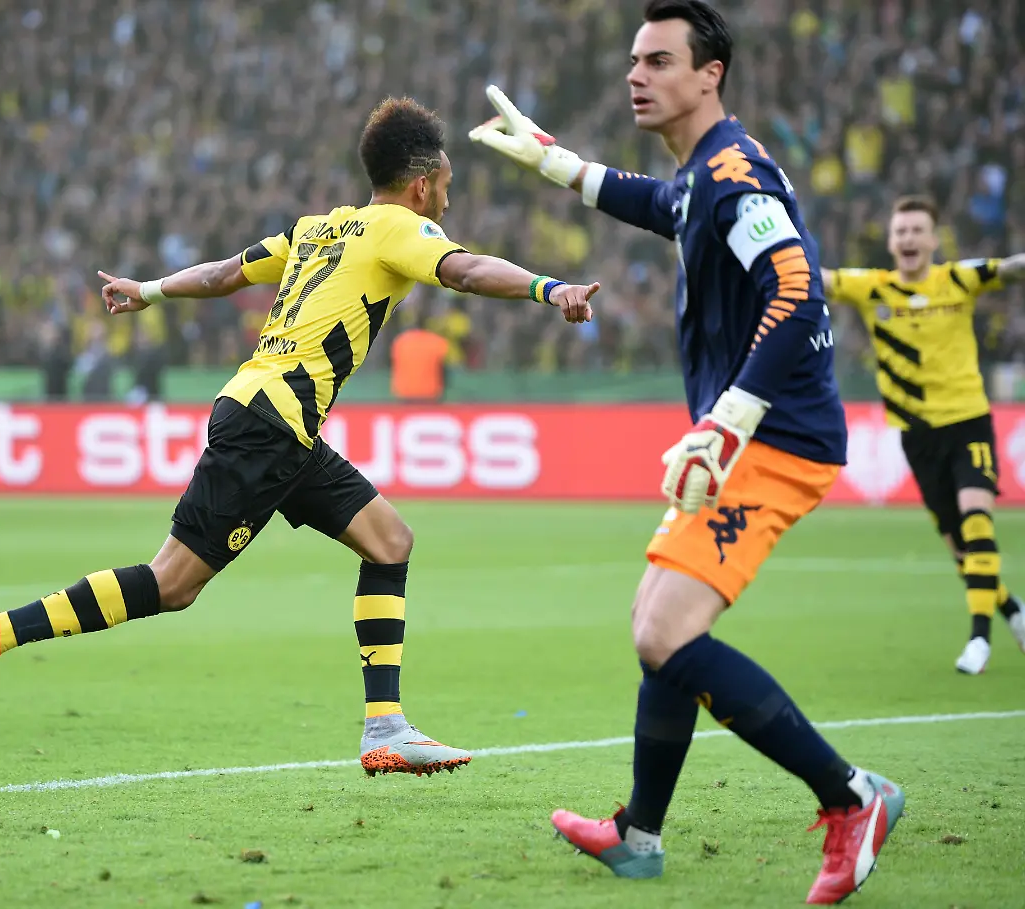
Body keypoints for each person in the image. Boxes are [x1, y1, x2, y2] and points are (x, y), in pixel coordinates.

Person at [0, 97, 600, 777]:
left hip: (277, 421)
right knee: (172, 583)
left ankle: (386, 727)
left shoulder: (317, 228)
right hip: (270, 425)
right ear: (422, 185)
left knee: (390, 541)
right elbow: (466, 270)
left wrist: (151, 290)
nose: (448, 203)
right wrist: (548, 289)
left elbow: (225, 273)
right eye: (448, 187)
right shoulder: (403, 227)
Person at [470, 1, 901, 903]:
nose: (637, 74)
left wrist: (730, 416)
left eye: (660, 60)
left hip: (775, 437)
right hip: (753, 431)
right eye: (635, 60)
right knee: (656, 625)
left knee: (665, 631)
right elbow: (661, 205)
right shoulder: (704, 174)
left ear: (711, 75)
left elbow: (797, 288)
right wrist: (557, 162)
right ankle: (639, 835)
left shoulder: (735, 177)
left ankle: (851, 797)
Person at [823, 196, 1025, 674]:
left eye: (917, 230)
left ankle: (979, 639)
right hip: (917, 436)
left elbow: (1010, 269)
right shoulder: (873, 288)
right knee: (961, 549)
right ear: (891, 242)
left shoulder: (958, 279)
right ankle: (1015, 613)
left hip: (968, 422)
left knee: (977, 523)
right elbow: (818, 278)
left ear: (934, 240)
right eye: (901, 232)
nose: (908, 238)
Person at [390, 321, 451, 402]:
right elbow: (443, 368)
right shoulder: (437, 341)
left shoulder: (400, 341)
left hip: (404, 393)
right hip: (430, 394)